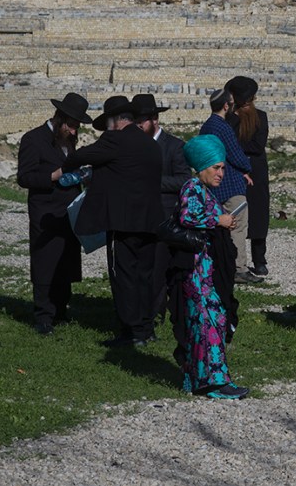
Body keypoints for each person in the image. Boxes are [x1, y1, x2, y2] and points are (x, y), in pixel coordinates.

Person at [65, 94, 162, 347]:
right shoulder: (151, 144)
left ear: (115, 120)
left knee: (124, 275)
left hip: (124, 222)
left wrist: (68, 163)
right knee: (145, 275)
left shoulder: (115, 139)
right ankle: (147, 326)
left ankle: (131, 331)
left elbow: (80, 156)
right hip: (151, 221)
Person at [177, 134, 248, 399]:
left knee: (207, 323)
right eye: (215, 168)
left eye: (222, 168)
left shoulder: (204, 190)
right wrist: (218, 219)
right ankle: (216, 383)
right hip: (197, 274)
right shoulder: (192, 187)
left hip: (206, 272)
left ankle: (195, 379)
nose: (220, 173)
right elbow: (187, 215)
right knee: (210, 323)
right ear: (202, 167)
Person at [17, 91, 91, 335]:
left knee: (66, 260)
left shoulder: (68, 140)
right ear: (60, 119)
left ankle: (61, 309)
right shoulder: (33, 139)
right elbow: (25, 177)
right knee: (45, 262)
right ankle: (44, 315)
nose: (73, 131)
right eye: (71, 125)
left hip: (69, 211)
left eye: (76, 127)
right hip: (46, 213)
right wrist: (52, 176)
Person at [131, 93, 190, 357]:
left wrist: (152, 182)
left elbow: (182, 181)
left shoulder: (174, 146)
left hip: (164, 218)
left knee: (157, 273)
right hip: (135, 217)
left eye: (141, 121)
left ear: (154, 120)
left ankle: (151, 319)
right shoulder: (133, 144)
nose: (138, 126)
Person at [201, 88, 254, 284]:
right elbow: (236, 154)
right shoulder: (223, 127)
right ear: (226, 106)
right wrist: (247, 167)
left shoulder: (206, 126)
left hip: (213, 186)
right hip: (230, 185)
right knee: (238, 226)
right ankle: (238, 268)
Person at [225, 76, 270, 279]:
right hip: (235, 172)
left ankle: (259, 260)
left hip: (256, 173)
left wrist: (235, 148)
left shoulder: (261, 117)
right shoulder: (230, 119)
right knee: (236, 215)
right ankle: (234, 258)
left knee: (259, 216)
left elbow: (257, 146)